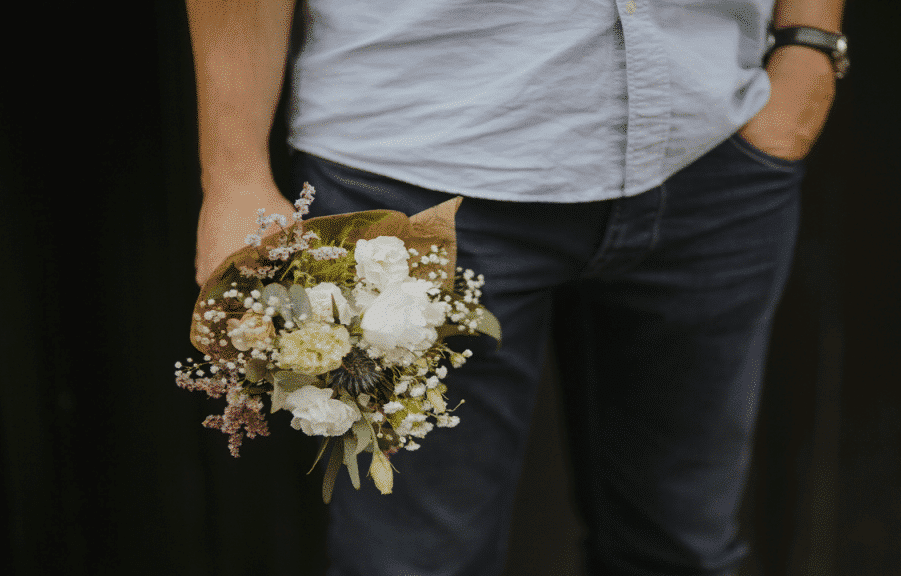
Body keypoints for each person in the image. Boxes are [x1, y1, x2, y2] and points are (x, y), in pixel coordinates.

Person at [186, 0, 846, 574]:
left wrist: (810, 41)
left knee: (686, 553)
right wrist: (236, 170)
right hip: (409, 170)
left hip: (712, 145)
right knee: (414, 564)